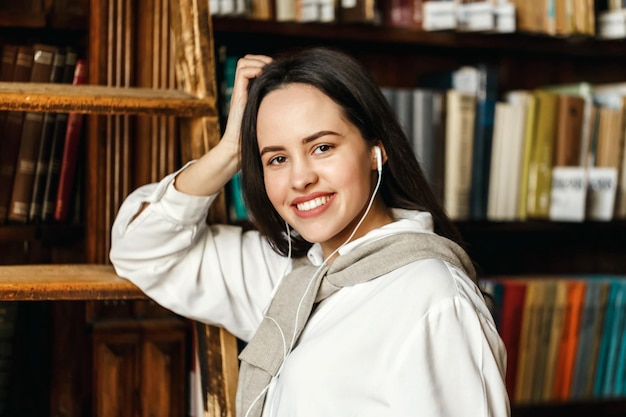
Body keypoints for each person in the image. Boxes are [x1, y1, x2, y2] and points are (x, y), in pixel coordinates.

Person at [110, 47, 510, 417]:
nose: (300, 178)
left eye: (322, 147)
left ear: (376, 150)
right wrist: (232, 149)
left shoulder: (434, 297)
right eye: (277, 158)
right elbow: (141, 248)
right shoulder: (290, 279)